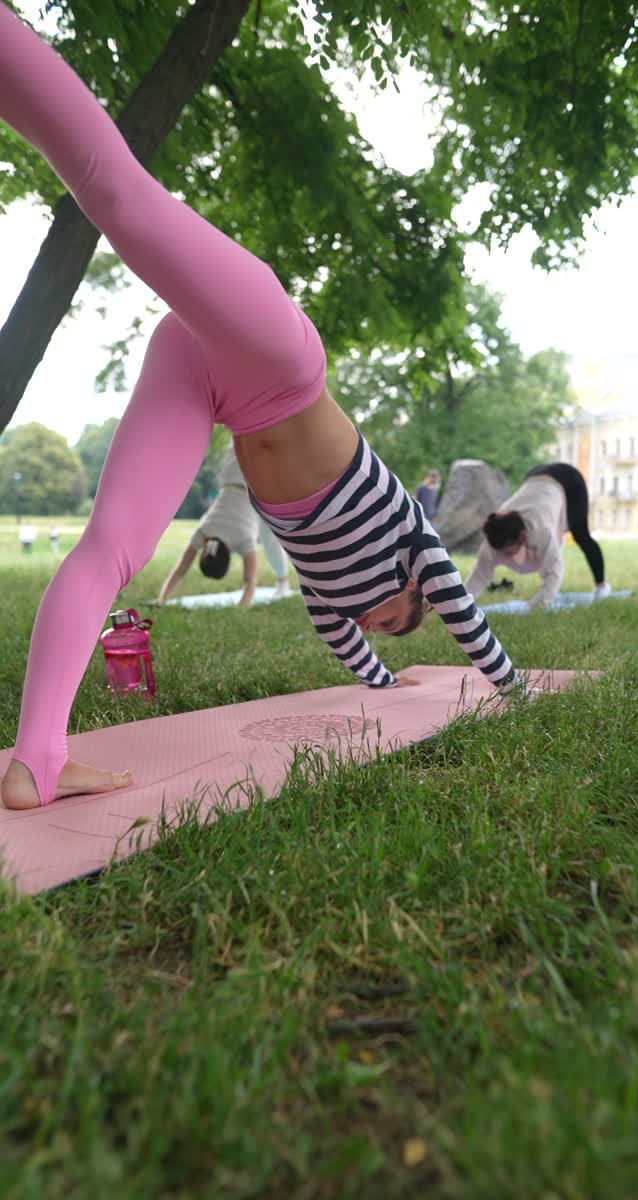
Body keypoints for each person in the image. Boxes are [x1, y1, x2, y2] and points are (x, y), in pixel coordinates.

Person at [0, 3, 520, 811]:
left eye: (380, 632)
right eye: (393, 620)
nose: (375, 625)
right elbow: (463, 613)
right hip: (278, 359)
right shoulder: (412, 546)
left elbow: (343, 639)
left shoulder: (326, 594)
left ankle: (37, 758)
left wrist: (384, 678)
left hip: (204, 380)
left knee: (111, 548)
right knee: (121, 199)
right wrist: (511, 687)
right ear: (410, 589)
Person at [158, 444, 292, 606]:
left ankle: (283, 582)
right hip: (232, 471)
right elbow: (180, 569)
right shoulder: (203, 531)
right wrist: (162, 599)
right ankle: (282, 582)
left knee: (269, 538)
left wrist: (241, 608)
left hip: (257, 481)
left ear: (229, 557)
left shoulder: (244, 541)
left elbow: (250, 582)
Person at [465, 462, 611, 607]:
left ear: (522, 536)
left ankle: (602, 586)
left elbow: (555, 570)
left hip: (568, 480)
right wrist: (461, 605)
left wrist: (539, 604)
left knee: (581, 535)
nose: (505, 556)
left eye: (508, 551)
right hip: (534, 477)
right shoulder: (495, 533)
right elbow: (479, 576)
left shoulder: (541, 531)